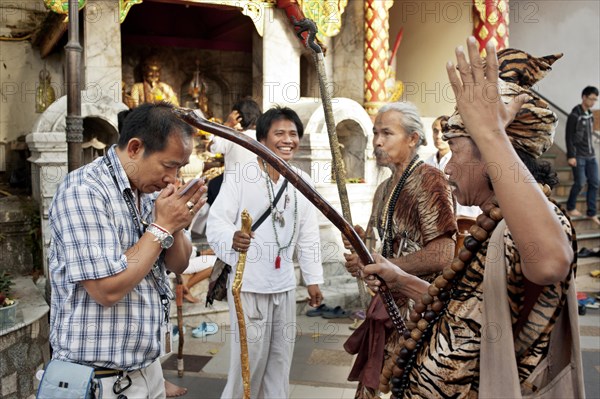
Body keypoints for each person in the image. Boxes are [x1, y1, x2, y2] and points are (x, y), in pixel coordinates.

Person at [361, 39, 576, 397]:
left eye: (457, 150)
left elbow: (551, 263)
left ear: (492, 155)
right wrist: (401, 279)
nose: (447, 166)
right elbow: (467, 314)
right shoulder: (494, 226)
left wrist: (490, 133)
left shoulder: (531, 225)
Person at [48, 102, 206, 398]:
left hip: (147, 369)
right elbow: (106, 289)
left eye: (180, 168)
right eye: (168, 165)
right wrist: (161, 227)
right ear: (135, 148)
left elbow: (179, 264)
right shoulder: (84, 191)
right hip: (97, 379)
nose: (173, 178)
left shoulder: (147, 191)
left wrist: (179, 221)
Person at [207, 106, 324, 399]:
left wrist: (312, 279)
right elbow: (216, 222)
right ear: (261, 139)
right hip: (249, 285)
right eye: (279, 133)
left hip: (283, 285)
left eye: (293, 134)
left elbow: (308, 233)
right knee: (248, 364)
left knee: (280, 362)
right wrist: (232, 238)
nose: (288, 140)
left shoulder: (302, 181)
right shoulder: (240, 176)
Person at [342, 102, 457, 398]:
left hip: (419, 310)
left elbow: (444, 253)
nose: (378, 141)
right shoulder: (383, 189)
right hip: (387, 305)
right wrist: (361, 257)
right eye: (375, 133)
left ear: (413, 139)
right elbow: (376, 247)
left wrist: (390, 267)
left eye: (387, 134)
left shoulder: (430, 180)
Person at [425, 115, 481, 218]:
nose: (438, 136)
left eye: (442, 131)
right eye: (435, 131)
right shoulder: (426, 164)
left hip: (464, 219)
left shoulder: (464, 162)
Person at [565, 85, 599, 225]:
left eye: (595, 100)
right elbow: (569, 137)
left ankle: (591, 213)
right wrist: (571, 156)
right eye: (591, 99)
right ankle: (570, 207)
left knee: (595, 182)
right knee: (580, 182)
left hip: (591, 155)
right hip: (578, 155)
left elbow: (589, 135)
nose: (593, 102)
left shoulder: (590, 115)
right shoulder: (575, 115)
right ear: (584, 97)